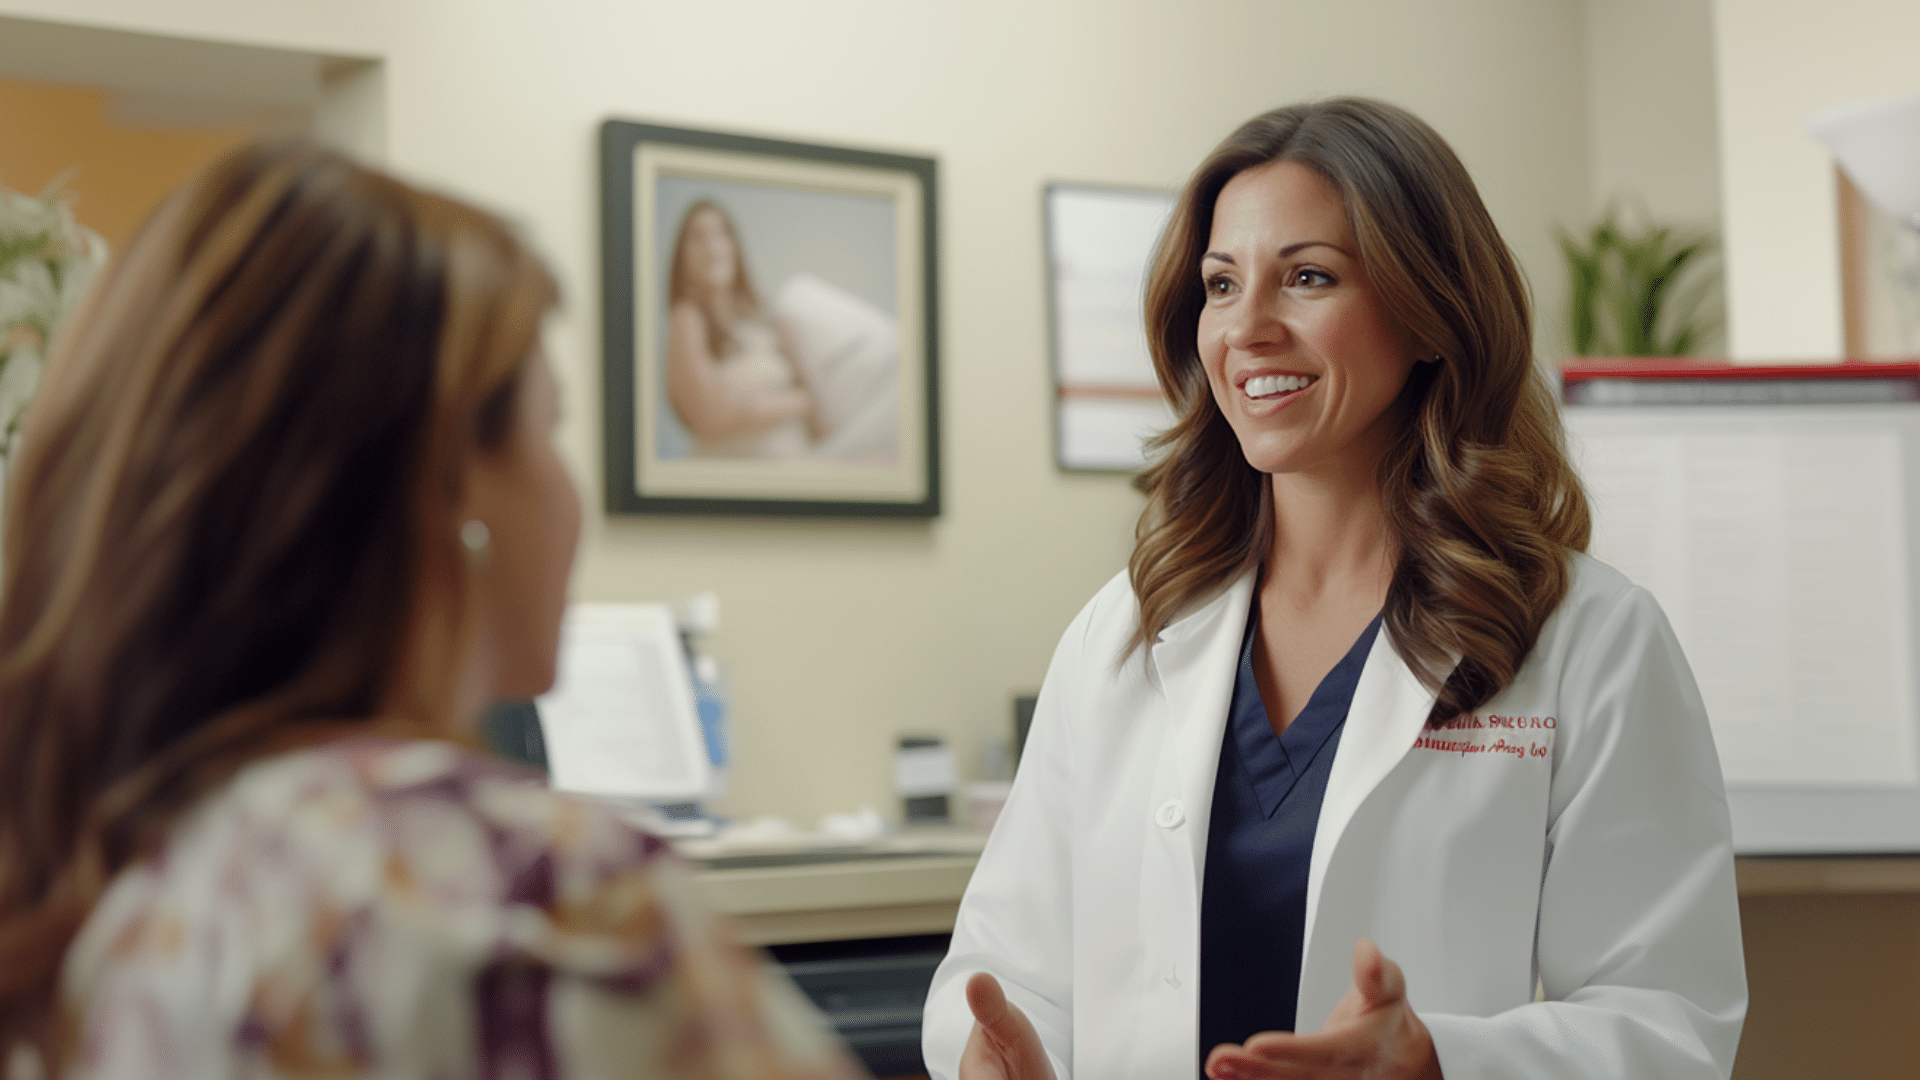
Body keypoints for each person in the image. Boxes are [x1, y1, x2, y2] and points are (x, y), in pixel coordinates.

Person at [921, 98, 1746, 1079]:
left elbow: (1667, 1019)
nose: (1248, 329)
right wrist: (1002, 1058)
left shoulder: (1589, 638)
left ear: (1430, 312)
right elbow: (1006, 970)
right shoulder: (1125, 633)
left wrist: (1439, 1060)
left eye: (1307, 277)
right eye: (1221, 286)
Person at [0, 139, 859, 1080]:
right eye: (550, 424)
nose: (569, 491)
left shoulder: (116, 898)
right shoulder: (534, 892)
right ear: (447, 491)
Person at [665, 200, 818, 459]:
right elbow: (709, 418)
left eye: (722, 234)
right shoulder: (687, 318)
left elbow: (817, 408)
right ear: (682, 258)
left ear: (734, 246)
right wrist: (799, 403)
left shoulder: (768, 320)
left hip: (799, 469)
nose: (713, 248)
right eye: (698, 238)